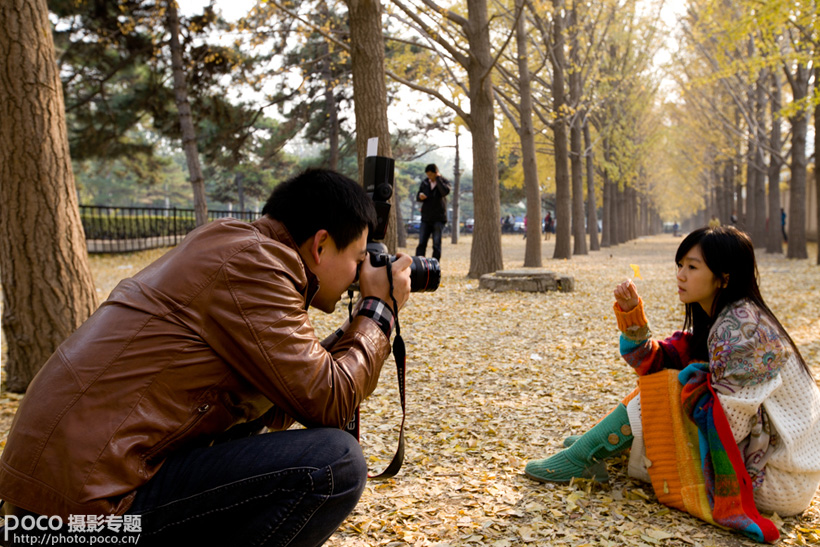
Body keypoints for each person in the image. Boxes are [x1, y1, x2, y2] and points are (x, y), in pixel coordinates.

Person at [0, 169, 413, 546]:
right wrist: (379, 310)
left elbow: (286, 396)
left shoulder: (232, 246)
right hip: (86, 522)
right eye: (358, 259)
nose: (360, 274)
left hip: (48, 506)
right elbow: (330, 401)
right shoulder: (258, 267)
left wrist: (359, 322)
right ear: (320, 245)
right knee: (333, 463)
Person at [525, 225, 820, 542]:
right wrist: (632, 319)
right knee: (675, 383)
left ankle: (587, 453)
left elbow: (728, 426)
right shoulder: (727, 317)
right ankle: (595, 449)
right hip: (782, 471)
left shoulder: (741, 329)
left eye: (692, 267)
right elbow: (659, 362)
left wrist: (679, 398)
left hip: (777, 481)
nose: (680, 275)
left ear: (724, 277)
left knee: (673, 390)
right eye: (680, 265)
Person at [415, 164, 451, 261]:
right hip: (426, 218)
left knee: (436, 244)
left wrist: (438, 180)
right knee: (422, 243)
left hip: (438, 219)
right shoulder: (425, 183)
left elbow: (444, 192)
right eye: (427, 175)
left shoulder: (444, 181)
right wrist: (420, 196)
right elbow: (418, 195)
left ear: (436, 173)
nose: (429, 177)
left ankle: (435, 265)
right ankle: (418, 264)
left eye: (431, 174)